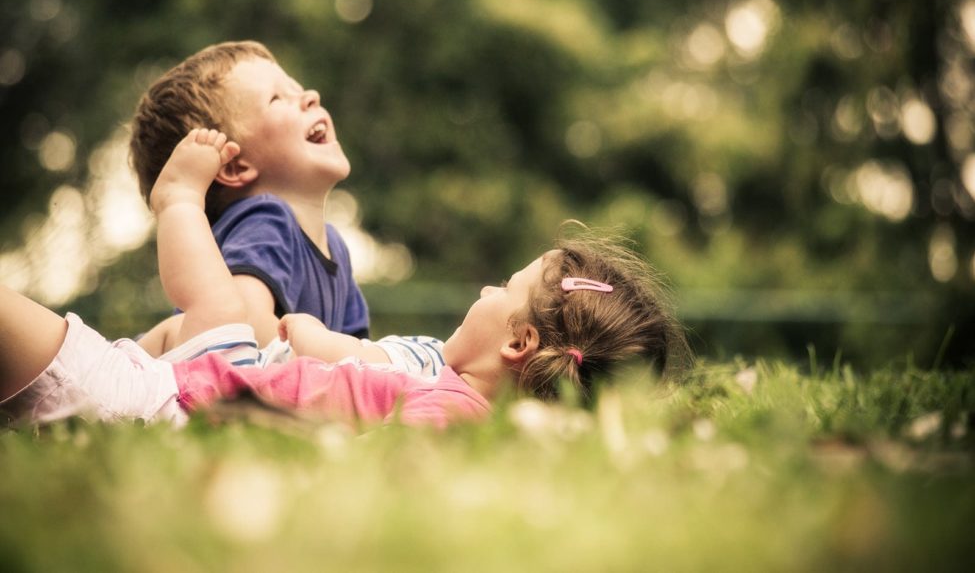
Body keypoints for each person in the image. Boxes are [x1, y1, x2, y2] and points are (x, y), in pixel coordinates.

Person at [0, 130, 691, 429]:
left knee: (209, 310)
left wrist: (305, 334)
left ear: (518, 342)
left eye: (499, 289)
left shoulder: (450, 407)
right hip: (190, 389)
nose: (482, 291)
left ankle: (177, 204)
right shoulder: (438, 378)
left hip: (164, 410)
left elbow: (392, 455)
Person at [130, 41, 369, 355]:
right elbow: (248, 329)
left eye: (296, 88)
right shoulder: (268, 220)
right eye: (276, 98)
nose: (311, 96)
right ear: (234, 165)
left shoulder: (335, 245)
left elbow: (357, 352)